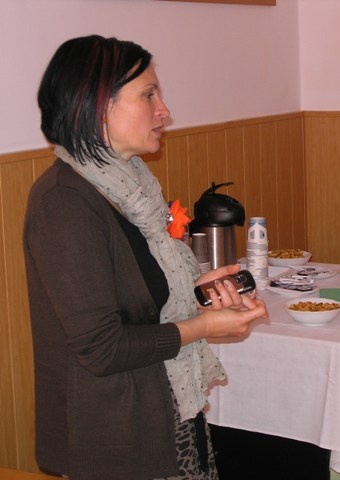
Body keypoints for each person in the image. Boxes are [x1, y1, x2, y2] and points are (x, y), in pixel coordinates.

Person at [23, 35, 268, 480]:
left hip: (166, 412)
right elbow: (103, 348)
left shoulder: (128, 190)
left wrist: (197, 294)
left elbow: (139, 302)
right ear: (97, 106)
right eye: (149, 95)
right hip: (118, 439)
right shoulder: (65, 203)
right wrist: (205, 327)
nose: (164, 111)